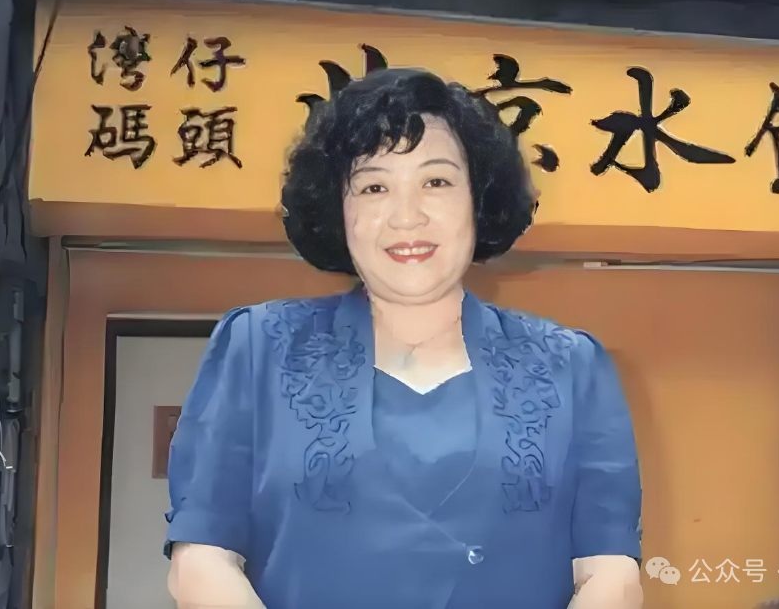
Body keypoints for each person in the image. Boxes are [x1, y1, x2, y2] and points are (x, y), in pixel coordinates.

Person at [164, 68, 643, 609]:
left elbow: (611, 574)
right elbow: (200, 559)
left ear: (478, 198)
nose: (407, 216)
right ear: (338, 208)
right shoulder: (258, 347)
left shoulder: (571, 366)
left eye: (436, 182)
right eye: (374, 187)